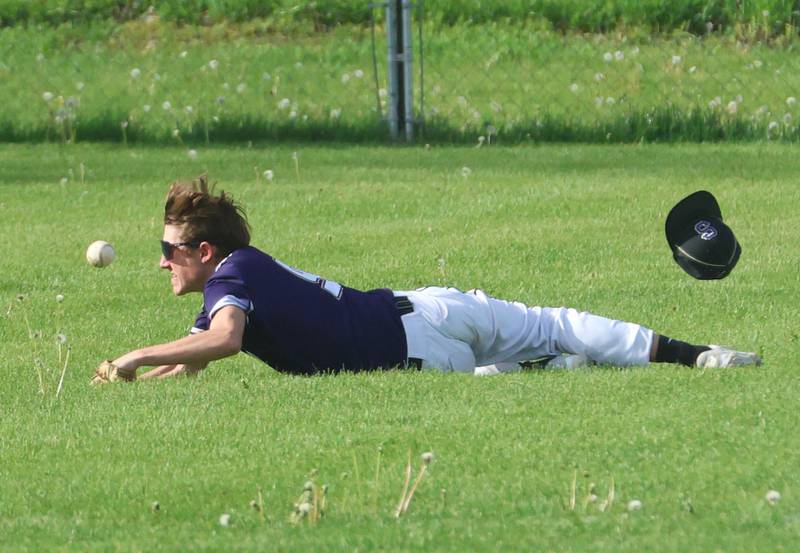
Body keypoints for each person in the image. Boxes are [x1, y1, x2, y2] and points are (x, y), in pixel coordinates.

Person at [93, 176, 761, 384]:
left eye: (168, 249)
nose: (160, 261)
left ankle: (550, 368)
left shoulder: (230, 285)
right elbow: (199, 356)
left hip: (418, 357)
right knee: (555, 323)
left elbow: (226, 341)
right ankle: (696, 354)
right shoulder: (244, 269)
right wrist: (138, 378)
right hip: (432, 311)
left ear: (205, 252)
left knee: (493, 377)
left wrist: (134, 355)